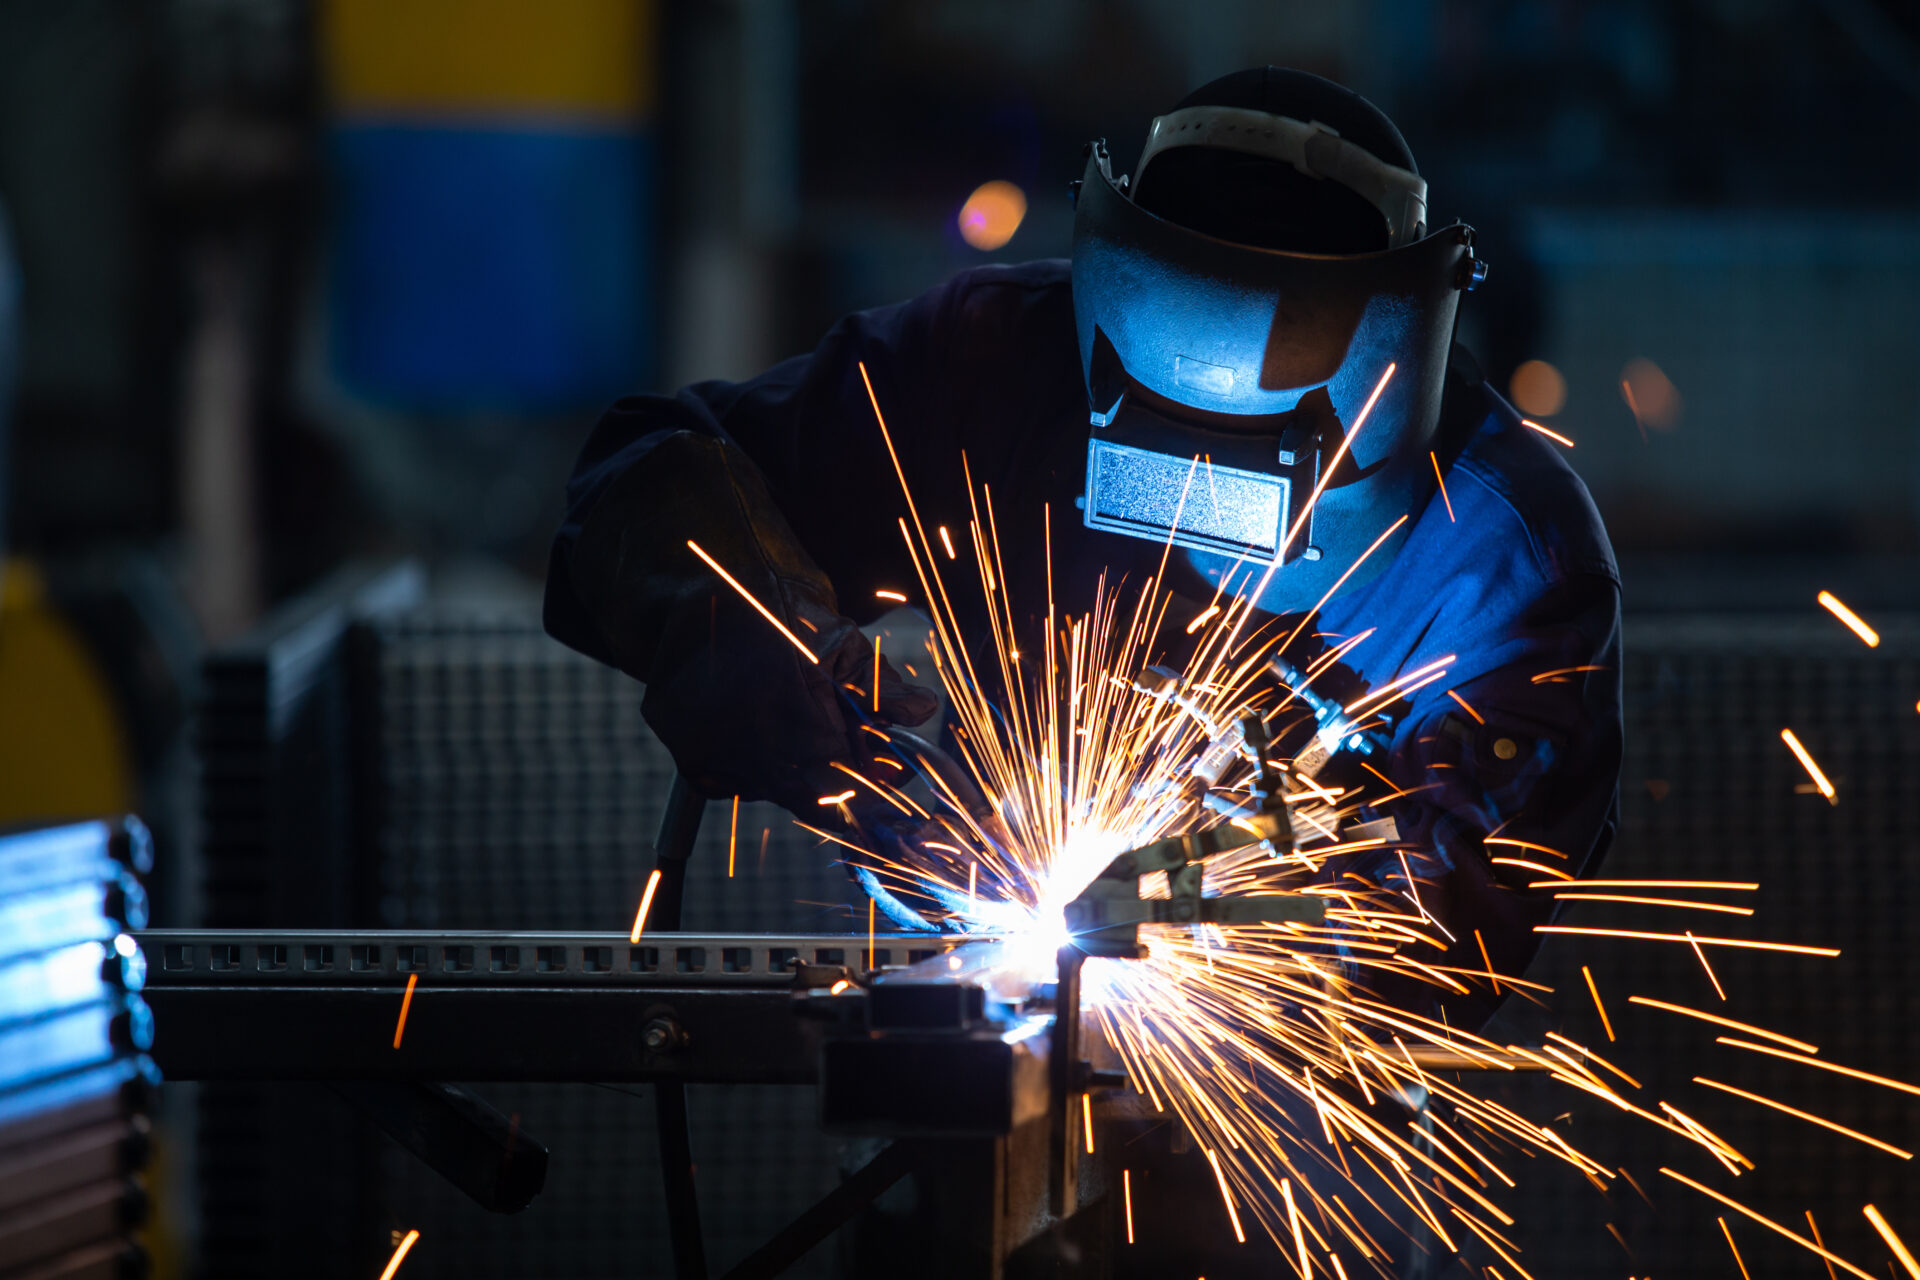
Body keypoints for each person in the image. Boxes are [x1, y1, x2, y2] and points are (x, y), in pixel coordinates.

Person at [545, 64, 1620, 1022]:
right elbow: (648, 470)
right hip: (970, 1037)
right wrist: (768, 645)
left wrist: (1232, 883)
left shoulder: (1503, 556)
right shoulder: (986, 368)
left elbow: (1468, 915)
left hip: (1312, 1139)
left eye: (1256, 465)